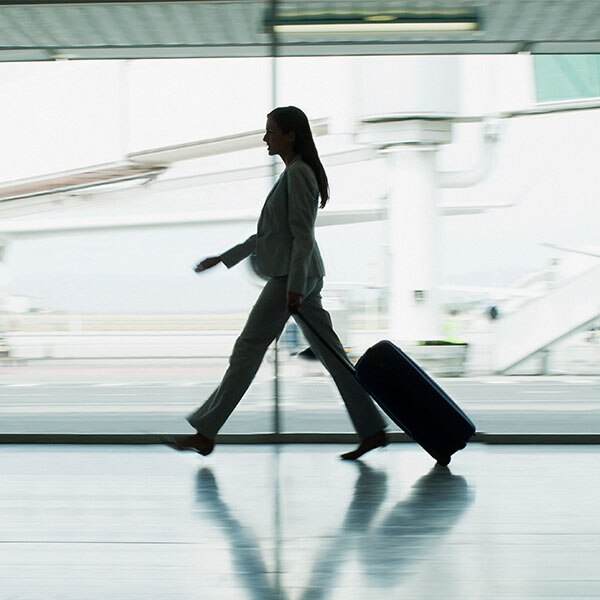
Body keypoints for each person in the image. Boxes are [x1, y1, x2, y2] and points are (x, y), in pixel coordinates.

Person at [170, 106, 387, 460]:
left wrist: (294, 289)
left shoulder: (299, 175)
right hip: (298, 277)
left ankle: (206, 432)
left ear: (290, 135)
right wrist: (224, 259)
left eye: (271, 131)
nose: (265, 138)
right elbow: (268, 236)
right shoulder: (293, 174)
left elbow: (302, 236)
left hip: (292, 278)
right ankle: (372, 429)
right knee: (331, 357)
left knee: (248, 349)